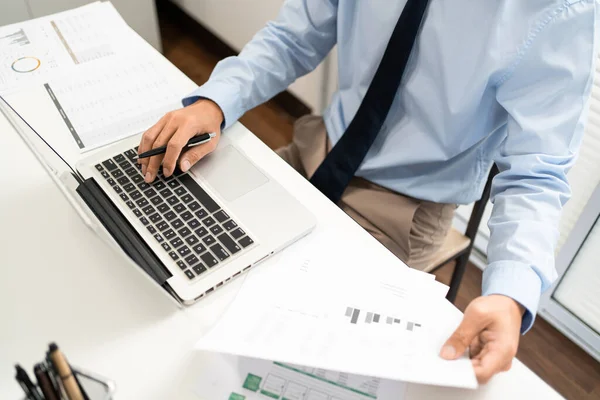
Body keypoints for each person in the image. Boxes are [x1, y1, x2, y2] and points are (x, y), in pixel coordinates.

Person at [137, 0, 597, 383]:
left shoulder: (558, 10)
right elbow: (295, 35)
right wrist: (216, 101)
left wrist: (511, 294)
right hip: (317, 148)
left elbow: (537, 173)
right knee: (179, 263)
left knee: (291, 363)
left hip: (402, 208)